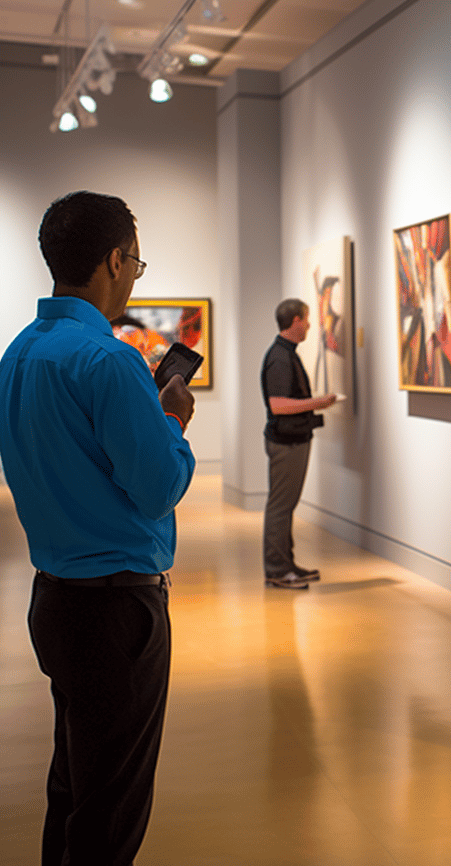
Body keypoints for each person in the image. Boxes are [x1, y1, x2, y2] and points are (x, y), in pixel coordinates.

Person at [0, 190, 196, 866]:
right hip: (118, 609)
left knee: (75, 787)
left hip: (54, 598)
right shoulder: (110, 361)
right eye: (135, 264)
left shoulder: (19, 354)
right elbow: (158, 487)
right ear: (115, 259)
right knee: (111, 811)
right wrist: (170, 420)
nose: (133, 276)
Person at [260, 298, 338, 588]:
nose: (308, 325)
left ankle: (286, 564)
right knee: (281, 506)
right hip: (287, 442)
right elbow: (278, 405)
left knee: (284, 506)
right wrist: (319, 402)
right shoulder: (280, 357)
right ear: (294, 321)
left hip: (292, 440)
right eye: (305, 319)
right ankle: (278, 570)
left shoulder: (286, 353)